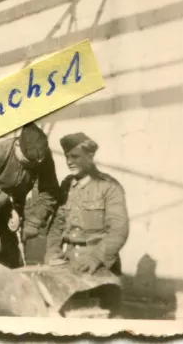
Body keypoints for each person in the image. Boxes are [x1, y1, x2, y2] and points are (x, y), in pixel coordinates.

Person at [44, 133, 129, 316]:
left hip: (101, 267)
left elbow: (118, 230)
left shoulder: (109, 187)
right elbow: (57, 224)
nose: (69, 161)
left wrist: (95, 258)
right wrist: (52, 251)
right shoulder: (67, 185)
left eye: (75, 156)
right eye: (67, 157)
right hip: (70, 266)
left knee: (102, 324)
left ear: (90, 157)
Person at [0, 123, 61, 268]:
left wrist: (34, 221)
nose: (31, 167)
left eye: (34, 165)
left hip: (14, 205)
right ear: (17, 145)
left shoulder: (42, 156)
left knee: (12, 256)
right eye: (27, 162)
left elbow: (50, 191)